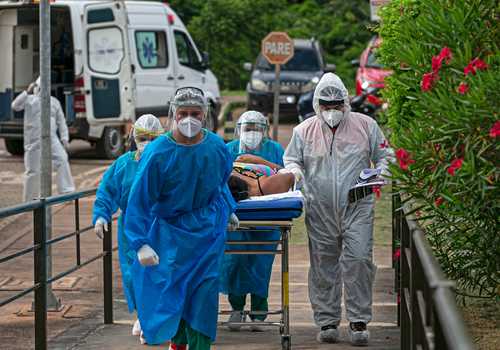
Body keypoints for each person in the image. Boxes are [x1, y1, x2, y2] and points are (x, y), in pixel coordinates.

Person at [283, 73, 391, 346]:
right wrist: (295, 174)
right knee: (323, 265)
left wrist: (377, 175)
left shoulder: (366, 126)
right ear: (318, 105)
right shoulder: (304, 131)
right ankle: (327, 320)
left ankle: (358, 320)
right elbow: (291, 159)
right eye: (326, 105)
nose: (332, 111)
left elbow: (385, 156)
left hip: (358, 206)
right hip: (320, 207)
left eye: (337, 105)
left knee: (358, 260)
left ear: (346, 102)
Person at [124, 87, 236, 350]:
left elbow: (221, 184)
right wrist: (140, 243)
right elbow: (139, 200)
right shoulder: (158, 152)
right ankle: (179, 343)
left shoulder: (216, 147)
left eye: (195, 113)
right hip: (170, 235)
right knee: (175, 295)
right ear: (173, 114)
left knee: (204, 297)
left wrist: (228, 208)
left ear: (205, 115)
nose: (189, 119)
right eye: (183, 113)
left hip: (208, 234)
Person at [92, 114, 164, 337]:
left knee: (161, 273)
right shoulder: (123, 164)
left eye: (153, 137)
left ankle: (156, 319)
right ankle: (144, 316)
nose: (148, 142)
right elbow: (107, 190)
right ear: (134, 137)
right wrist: (101, 215)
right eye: (143, 137)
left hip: (160, 226)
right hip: (131, 228)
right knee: (134, 275)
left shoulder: (167, 162)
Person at [220, 111, 285, 331]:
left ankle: (259, 310)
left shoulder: (275, 150)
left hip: (267, 215)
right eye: (247, 129)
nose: (252, 134)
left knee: (260, 262)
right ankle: (236, 308)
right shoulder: (227, 150)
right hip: (235, 215)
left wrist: (258, 162)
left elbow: (286, 175)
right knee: (235, 261)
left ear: (264, 131)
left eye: (257, 129)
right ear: (239, 130)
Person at [11, 77, 75, 202]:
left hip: (51, 139)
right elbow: (15, 106)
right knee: (32, 170)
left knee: (62, 159)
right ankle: (30, 200)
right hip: (33, 141)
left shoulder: (54, 102)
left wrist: (64, 137)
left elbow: (61, 121)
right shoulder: (29, 100)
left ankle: (66, 191)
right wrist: (26, 92)